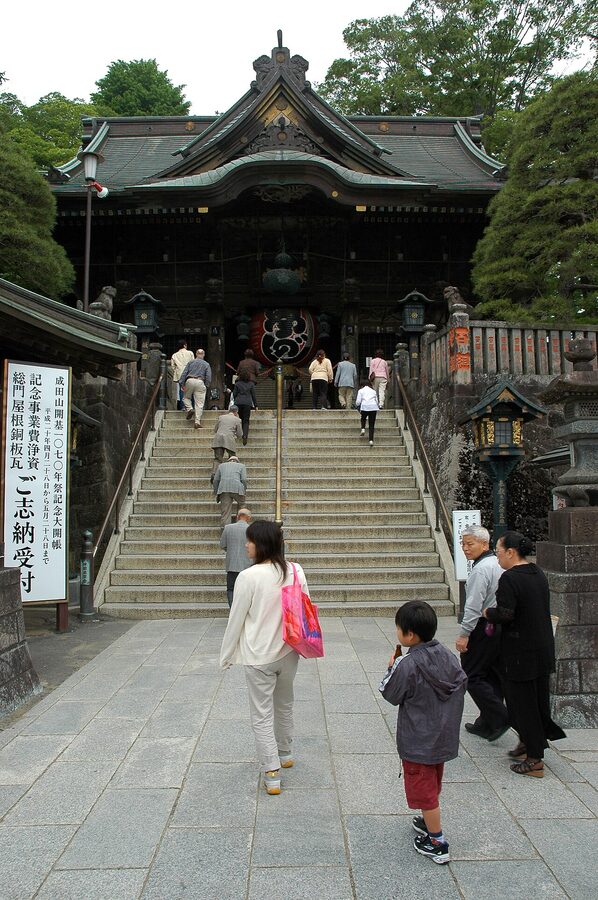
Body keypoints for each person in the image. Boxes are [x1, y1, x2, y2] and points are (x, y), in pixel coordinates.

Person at [220, 520, 309, 795]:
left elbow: (236, 619)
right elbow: (304, 608)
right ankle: (285, 753)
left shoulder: (248, 577)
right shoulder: (295, 570)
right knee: (285, 704)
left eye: (250, 541)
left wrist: (226, 655)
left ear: (261, 544)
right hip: (289, 650)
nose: (246, 545)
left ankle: (272, 772)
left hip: (259, 655)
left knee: (261, 714)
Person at [380, 600, 467, 865]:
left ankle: (437, 842)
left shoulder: (408, 664)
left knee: (424, 788)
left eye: (398, 629)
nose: (397, 633)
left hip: (418, 739)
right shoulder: (446, 655)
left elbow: (390, 693)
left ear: (410, 635)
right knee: (432, 780)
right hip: (442, 734)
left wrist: (392, 667)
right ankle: (429, 819)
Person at [484, 531, 566, 778]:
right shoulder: (537, 572)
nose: (497, 558)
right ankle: (530, 742)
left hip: (519, 651)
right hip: (541, 648)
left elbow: (507, 614)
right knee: (537, 699)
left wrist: (489, 613)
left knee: (521, 703)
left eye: (498, 552)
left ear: (510, 552)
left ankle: (534, 759)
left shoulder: (509, 578)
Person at [456, 526, 509, 741]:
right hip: (498, 626)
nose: (465, 548)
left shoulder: (480, 570)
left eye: (470, 544)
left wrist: (464, 633)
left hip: (482, 627)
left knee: (472, 674)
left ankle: (500, 716)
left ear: (485, 544)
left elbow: (473, 606)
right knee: (492, 674)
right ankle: (486, 722)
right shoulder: (498, 564)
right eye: (463, 544)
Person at [220, 509, 253, 605]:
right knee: (246, 590)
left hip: (232, 565)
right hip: (247, 565)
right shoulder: (251, 529)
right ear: (249, 518)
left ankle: (233, 610)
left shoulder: (228, 528)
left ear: (237, 516)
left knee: (231, 589)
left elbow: (222, 545)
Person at [179, 349, 212, 429]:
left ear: (196, 354)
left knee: (186, 398)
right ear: (203, 355)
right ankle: (197, 422)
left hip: (190, 380)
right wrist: (206, 385)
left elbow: (184, 373)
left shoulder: (191, 362)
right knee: (199, 403)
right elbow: (208, 376)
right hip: (200, 381)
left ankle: (190, 409)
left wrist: (182, 383)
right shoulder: (206, 364)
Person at [213, 455, 247, 527]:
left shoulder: (221, 466)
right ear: (237, 461)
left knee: (225, 512)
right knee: (242, 505)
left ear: (228, 461)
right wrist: (244, 490)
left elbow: (215, 480)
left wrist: (216, 492)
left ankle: (225, 530)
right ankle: (240, 525)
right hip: (237, 488)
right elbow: (243, 479)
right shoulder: (241, 466)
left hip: (224, 489)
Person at [211, 406, 243, 481]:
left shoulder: (221, 417)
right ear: (236, 412)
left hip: (218, 438)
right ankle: (232, 474)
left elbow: (215, 429)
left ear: (229, 411)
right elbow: (239, 434)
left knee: (218, 459)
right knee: (232, 458)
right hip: (229, 439)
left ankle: (214, 474)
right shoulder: (237, 420)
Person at [232, 372, 257, 445]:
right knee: (246, 420)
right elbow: (253, 395)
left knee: (239, 419)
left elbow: (234, 394)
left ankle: (239, 433)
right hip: (247, 403)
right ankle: (245, 435)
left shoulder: (237, 384)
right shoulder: (251, 384)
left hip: (238, 403)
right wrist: (256, 405)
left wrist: (236, 399)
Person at [170, 339, 194, 409]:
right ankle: (190, 406)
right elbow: (193, 363)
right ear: (184, 345)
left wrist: (177, 370)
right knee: (190, 389)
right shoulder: (190, 353)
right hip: (189, 373)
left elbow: (173, 366)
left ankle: (183, 407)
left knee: (182, 390)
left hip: (180, 374)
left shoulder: (174, 355)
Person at [355, 378, 379, 446]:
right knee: (371, 425)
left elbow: (358, 402)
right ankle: (371, 440)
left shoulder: (361, 390)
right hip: (373, 407)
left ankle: (363, 428)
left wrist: (357, 406)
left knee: (363, 418)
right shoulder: (373, 391)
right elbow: (377, 401)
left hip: (365, 406)